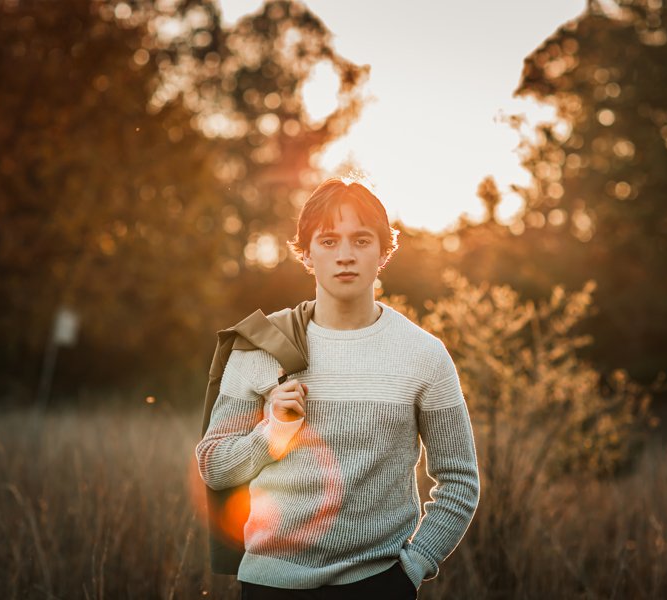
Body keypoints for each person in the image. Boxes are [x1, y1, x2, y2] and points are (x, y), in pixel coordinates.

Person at [196, 178, 480, 599]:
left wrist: (412, 569)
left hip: (379, 585)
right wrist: (271, 433)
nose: (345, 256)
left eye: (361, 240)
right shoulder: (262, 346)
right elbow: (214, 467)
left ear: (383, 252)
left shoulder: (423, 354)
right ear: (306, 253)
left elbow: (459, 480)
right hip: (268, 584)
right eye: (328, 241)